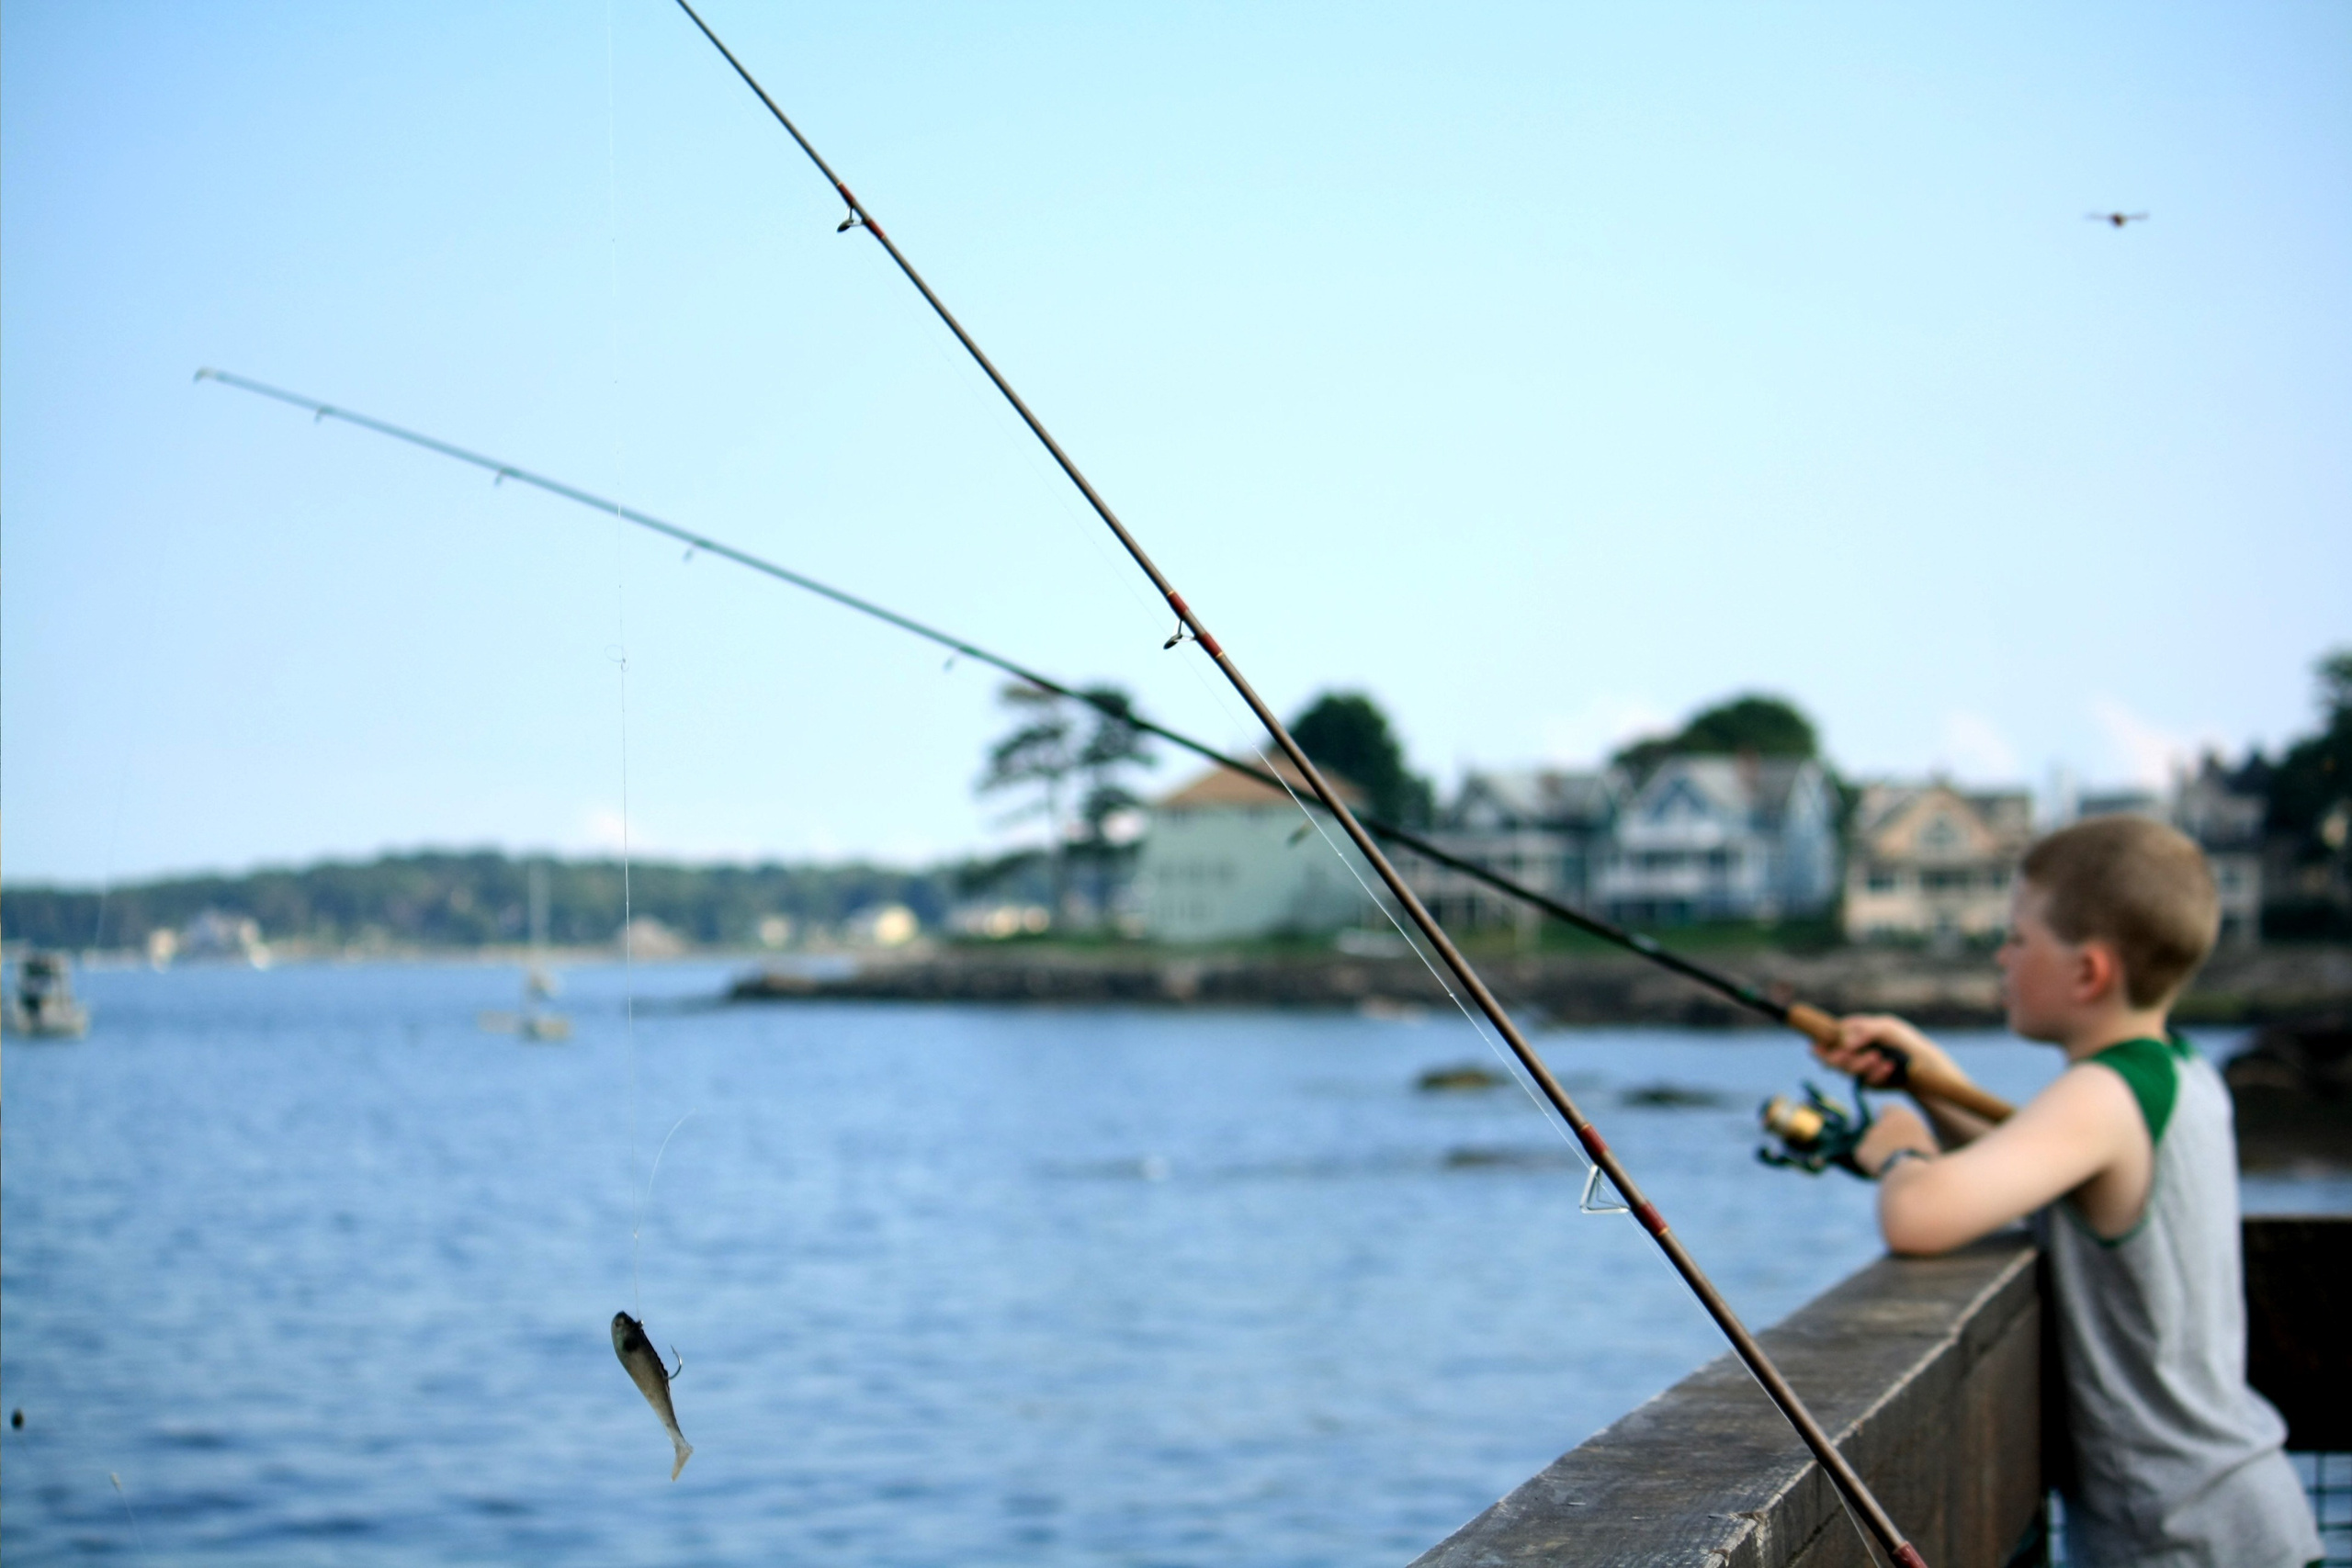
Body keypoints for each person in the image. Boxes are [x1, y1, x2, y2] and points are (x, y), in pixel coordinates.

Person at [1814, 814, 2321, 1568]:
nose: (2001, 954)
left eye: (2018, 937)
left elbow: (1920, 1213)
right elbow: (2027, 1164)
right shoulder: (2177, 1073)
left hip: (2184, 1539)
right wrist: (1929, 1076)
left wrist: (1900, 1154)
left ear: (2089, 971)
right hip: (2233, 1516)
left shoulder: (2102, 1093)